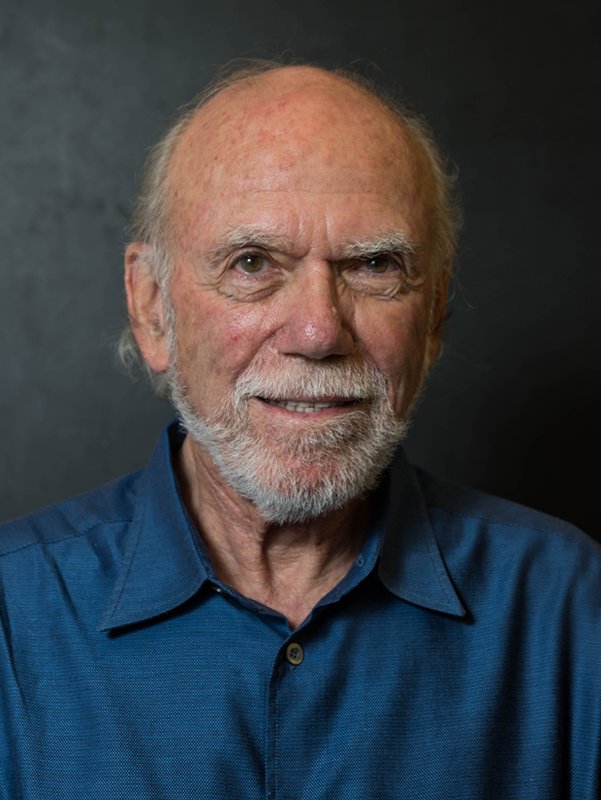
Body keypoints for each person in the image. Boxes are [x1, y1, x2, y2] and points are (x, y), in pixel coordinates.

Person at [0, 61, 599, 799]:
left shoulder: (570, 610)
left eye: (374, 265)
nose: (317, 331)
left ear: (434, 315)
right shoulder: (12, 616)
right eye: (253, 263)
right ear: (153, 307)